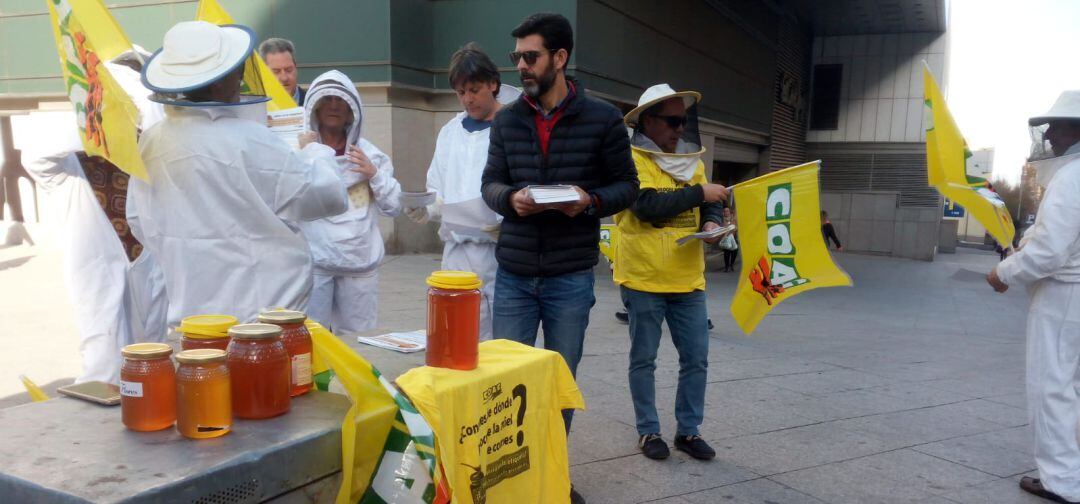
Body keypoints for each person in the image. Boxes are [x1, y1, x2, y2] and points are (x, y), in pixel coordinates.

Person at [481, 13, 639, 504]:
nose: (521, 67)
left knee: (558, 384)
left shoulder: (603, 118)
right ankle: (509, 479)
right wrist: (511, 199)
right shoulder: (507, 119)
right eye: (517, 58)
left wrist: (588, 201)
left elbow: (627, 187)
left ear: (560, 58)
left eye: (530, 57)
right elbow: (490, 184)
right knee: (507, 383)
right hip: (514, 274)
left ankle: (550, 475)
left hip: (570, 275)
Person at [130, 21, 350, 328]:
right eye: (235, 71)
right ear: (219, 81)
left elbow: (139, 220)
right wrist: (317, 152)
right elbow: (327, 196)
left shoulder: (152, 140)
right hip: (261, 313)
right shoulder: (250, 139)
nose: (240, 79)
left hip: (192, 314)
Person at [17, 47, 165, 384]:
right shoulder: (67, 168)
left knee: (155, 359)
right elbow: (36, 151)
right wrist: (107, 124)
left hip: (151, 269)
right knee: (104, 363)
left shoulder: (150, 157)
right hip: (98, 278)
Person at [614, 84, 727, 461]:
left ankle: (689, 433)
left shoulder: (692, 162)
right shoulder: (628, 158)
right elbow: (645, 205)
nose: (680, 128)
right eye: (672, 120)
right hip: (643, 278)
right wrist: (700, 195)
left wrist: (712, 226)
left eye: (684, 120)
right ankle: (649, 433)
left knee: (696, 358)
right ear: (648, 121)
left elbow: (710, 205)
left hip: (688, 279)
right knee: (644, 359)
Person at [988, 91, 1080, 504]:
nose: (1049, 134)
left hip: (1065, 297)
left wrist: (1003, 272)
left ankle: (1063, 481)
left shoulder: (1072, 177)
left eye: (1057, 125)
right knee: (1071, 386)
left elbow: (1049, 252)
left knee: (1052, 386)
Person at [406, 43, 520, 340]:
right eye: (461, 92)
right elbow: (438, 187)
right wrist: (426, 208)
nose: (467, 99)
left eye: (474, 90)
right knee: (454, 334)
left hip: (498, 253)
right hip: (455, 253)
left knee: (496, 341)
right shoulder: (450, 131)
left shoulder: (513, 127)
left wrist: (503, 218)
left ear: (493, 84)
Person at [299, 70, 402, 335]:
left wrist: (374, 175)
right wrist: (303, 157)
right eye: (328, 98)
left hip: (359, 266)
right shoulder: (299, 150)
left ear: (351, 110)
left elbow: (394, 205)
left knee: (357, 345)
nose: (334, 105)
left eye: (340, 100)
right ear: (315, 107)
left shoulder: (370, 155)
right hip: (316, 265)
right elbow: (286, 200)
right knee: (312, 342)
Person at [259, 37, 305, 105]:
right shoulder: (254, 108)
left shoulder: (315, 104)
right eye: (276, 72)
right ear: (263, 72)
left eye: (289, 70)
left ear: (295, 67)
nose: (284, 78)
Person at [721, 207, 739, 272]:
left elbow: (736, 227)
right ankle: (726, 267)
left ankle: (731, 264)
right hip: (725, 238)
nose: (726, 212)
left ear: (729, 212)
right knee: (726, 253)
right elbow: (721, 229)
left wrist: (732, 229)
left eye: (727, 211)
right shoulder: (722, 220)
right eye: (725, 211)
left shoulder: (733, 219)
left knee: (734, 252)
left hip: (733, 238)